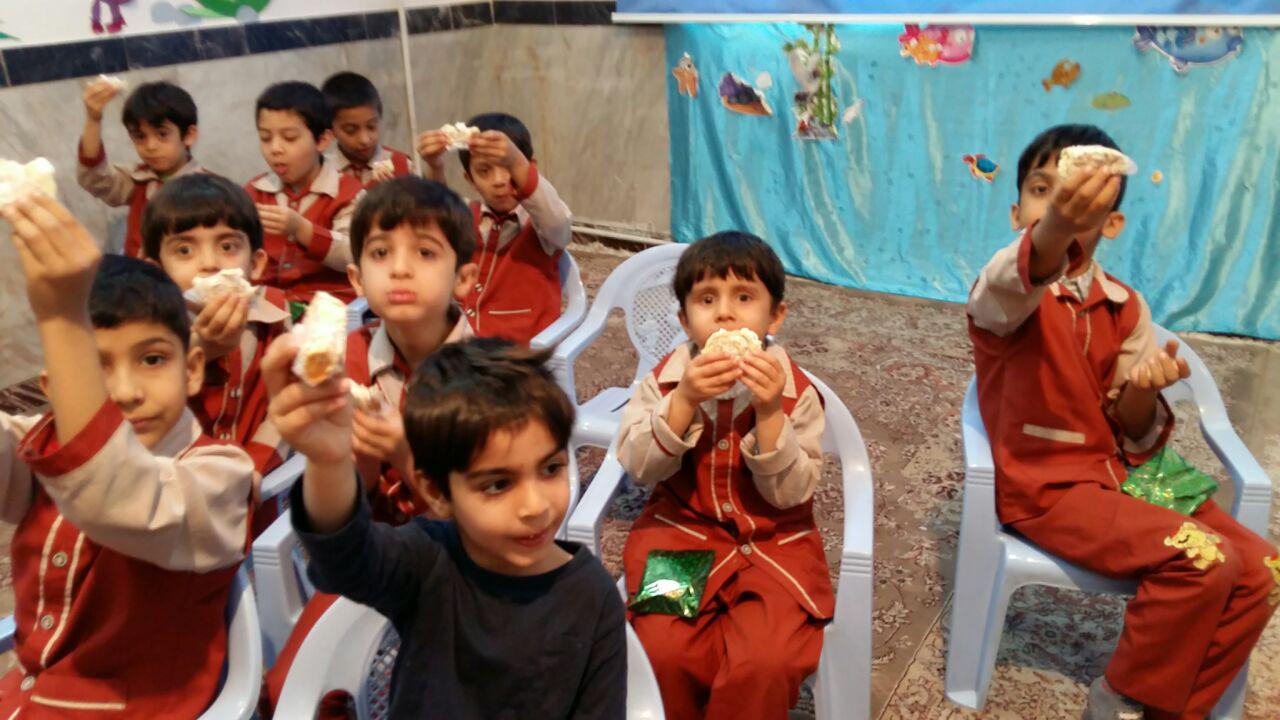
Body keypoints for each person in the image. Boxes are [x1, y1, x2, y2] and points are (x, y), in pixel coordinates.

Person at [967, 123, 1279, 720]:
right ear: (1017, 212)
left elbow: (1134, 430)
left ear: (1112, 222)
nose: (1061, 201)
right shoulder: (1008, 294)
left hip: (1129, 476)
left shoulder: (1127, 307)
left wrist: (1142, 389)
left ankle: (1170, 709)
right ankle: (1123, 699)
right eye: (1043, 190)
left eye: (1081, 195)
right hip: (1049, 486)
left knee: (1262, 569)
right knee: (1203, 557)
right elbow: (1010, 282)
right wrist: (1058, 226)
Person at [264, 336, 627, 718]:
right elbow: (344, 557)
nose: (535, 506)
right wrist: (327, 460)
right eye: (497, 485)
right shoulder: (427, 560)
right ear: (437, 493)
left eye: (550, 468)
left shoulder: (592, 599)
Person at [0, 194, 253, 717]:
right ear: (57, 386)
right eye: (94, 368)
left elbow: (117, 497)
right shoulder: (42, 439)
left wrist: (63, 317)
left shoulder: (220, 474)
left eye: (152, 360)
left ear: (192, 369)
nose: (126, 392)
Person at [616, 231, 832, 719]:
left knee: (766, 661)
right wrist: (683, 402)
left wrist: (770, 413)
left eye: (744, 298)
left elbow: (792, 493)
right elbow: (637, 465)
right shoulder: (664, 383)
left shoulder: (796, 394)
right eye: (707, 299)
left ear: (775, 316)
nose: (725, 314)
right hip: (681, 539)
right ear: (684, 319)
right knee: (663, 649)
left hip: (776, 546)